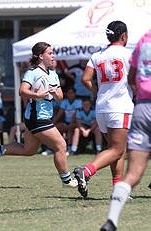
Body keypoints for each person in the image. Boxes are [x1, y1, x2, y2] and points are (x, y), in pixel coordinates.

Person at [0, 42, 78, 188]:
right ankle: (66, 180)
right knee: (61, 145)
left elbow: (60, 96)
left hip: (43, 116)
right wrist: (37, 95)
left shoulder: (53, 74)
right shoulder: (32, 72)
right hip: (36, 117)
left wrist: (53, 91)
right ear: (41, 56)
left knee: (28, 150)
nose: (53, 56)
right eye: (50, 53)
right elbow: (22, 91)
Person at [73, 21, 134, 198]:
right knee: (116, 149)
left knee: (116, 149)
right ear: (123, 36)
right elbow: (134, 80)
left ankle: (118, 189)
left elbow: (85, 78)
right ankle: (86, 171)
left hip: (101, 108)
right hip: (120, 106)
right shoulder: (128, 55)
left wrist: (97, 90)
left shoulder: (97, 55)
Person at [100, 29, 151, 231]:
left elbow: (131, 77)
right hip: (121, 109)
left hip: (141, 108)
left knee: (133, 173)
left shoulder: (144, 40)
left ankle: (111, 221)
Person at [52, 88, 82, 154]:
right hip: (66, 122)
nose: (70, 94)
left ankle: (71, 149)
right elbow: (59, 114)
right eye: (69, 93)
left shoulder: (78, 102)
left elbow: (76, 115)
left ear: (75, 94)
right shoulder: (64, 102)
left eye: (72, 93)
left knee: (71, 130)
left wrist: (70, 124)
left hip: (75, 123)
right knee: (55, 128)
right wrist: (53, 123)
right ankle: (53, 148)